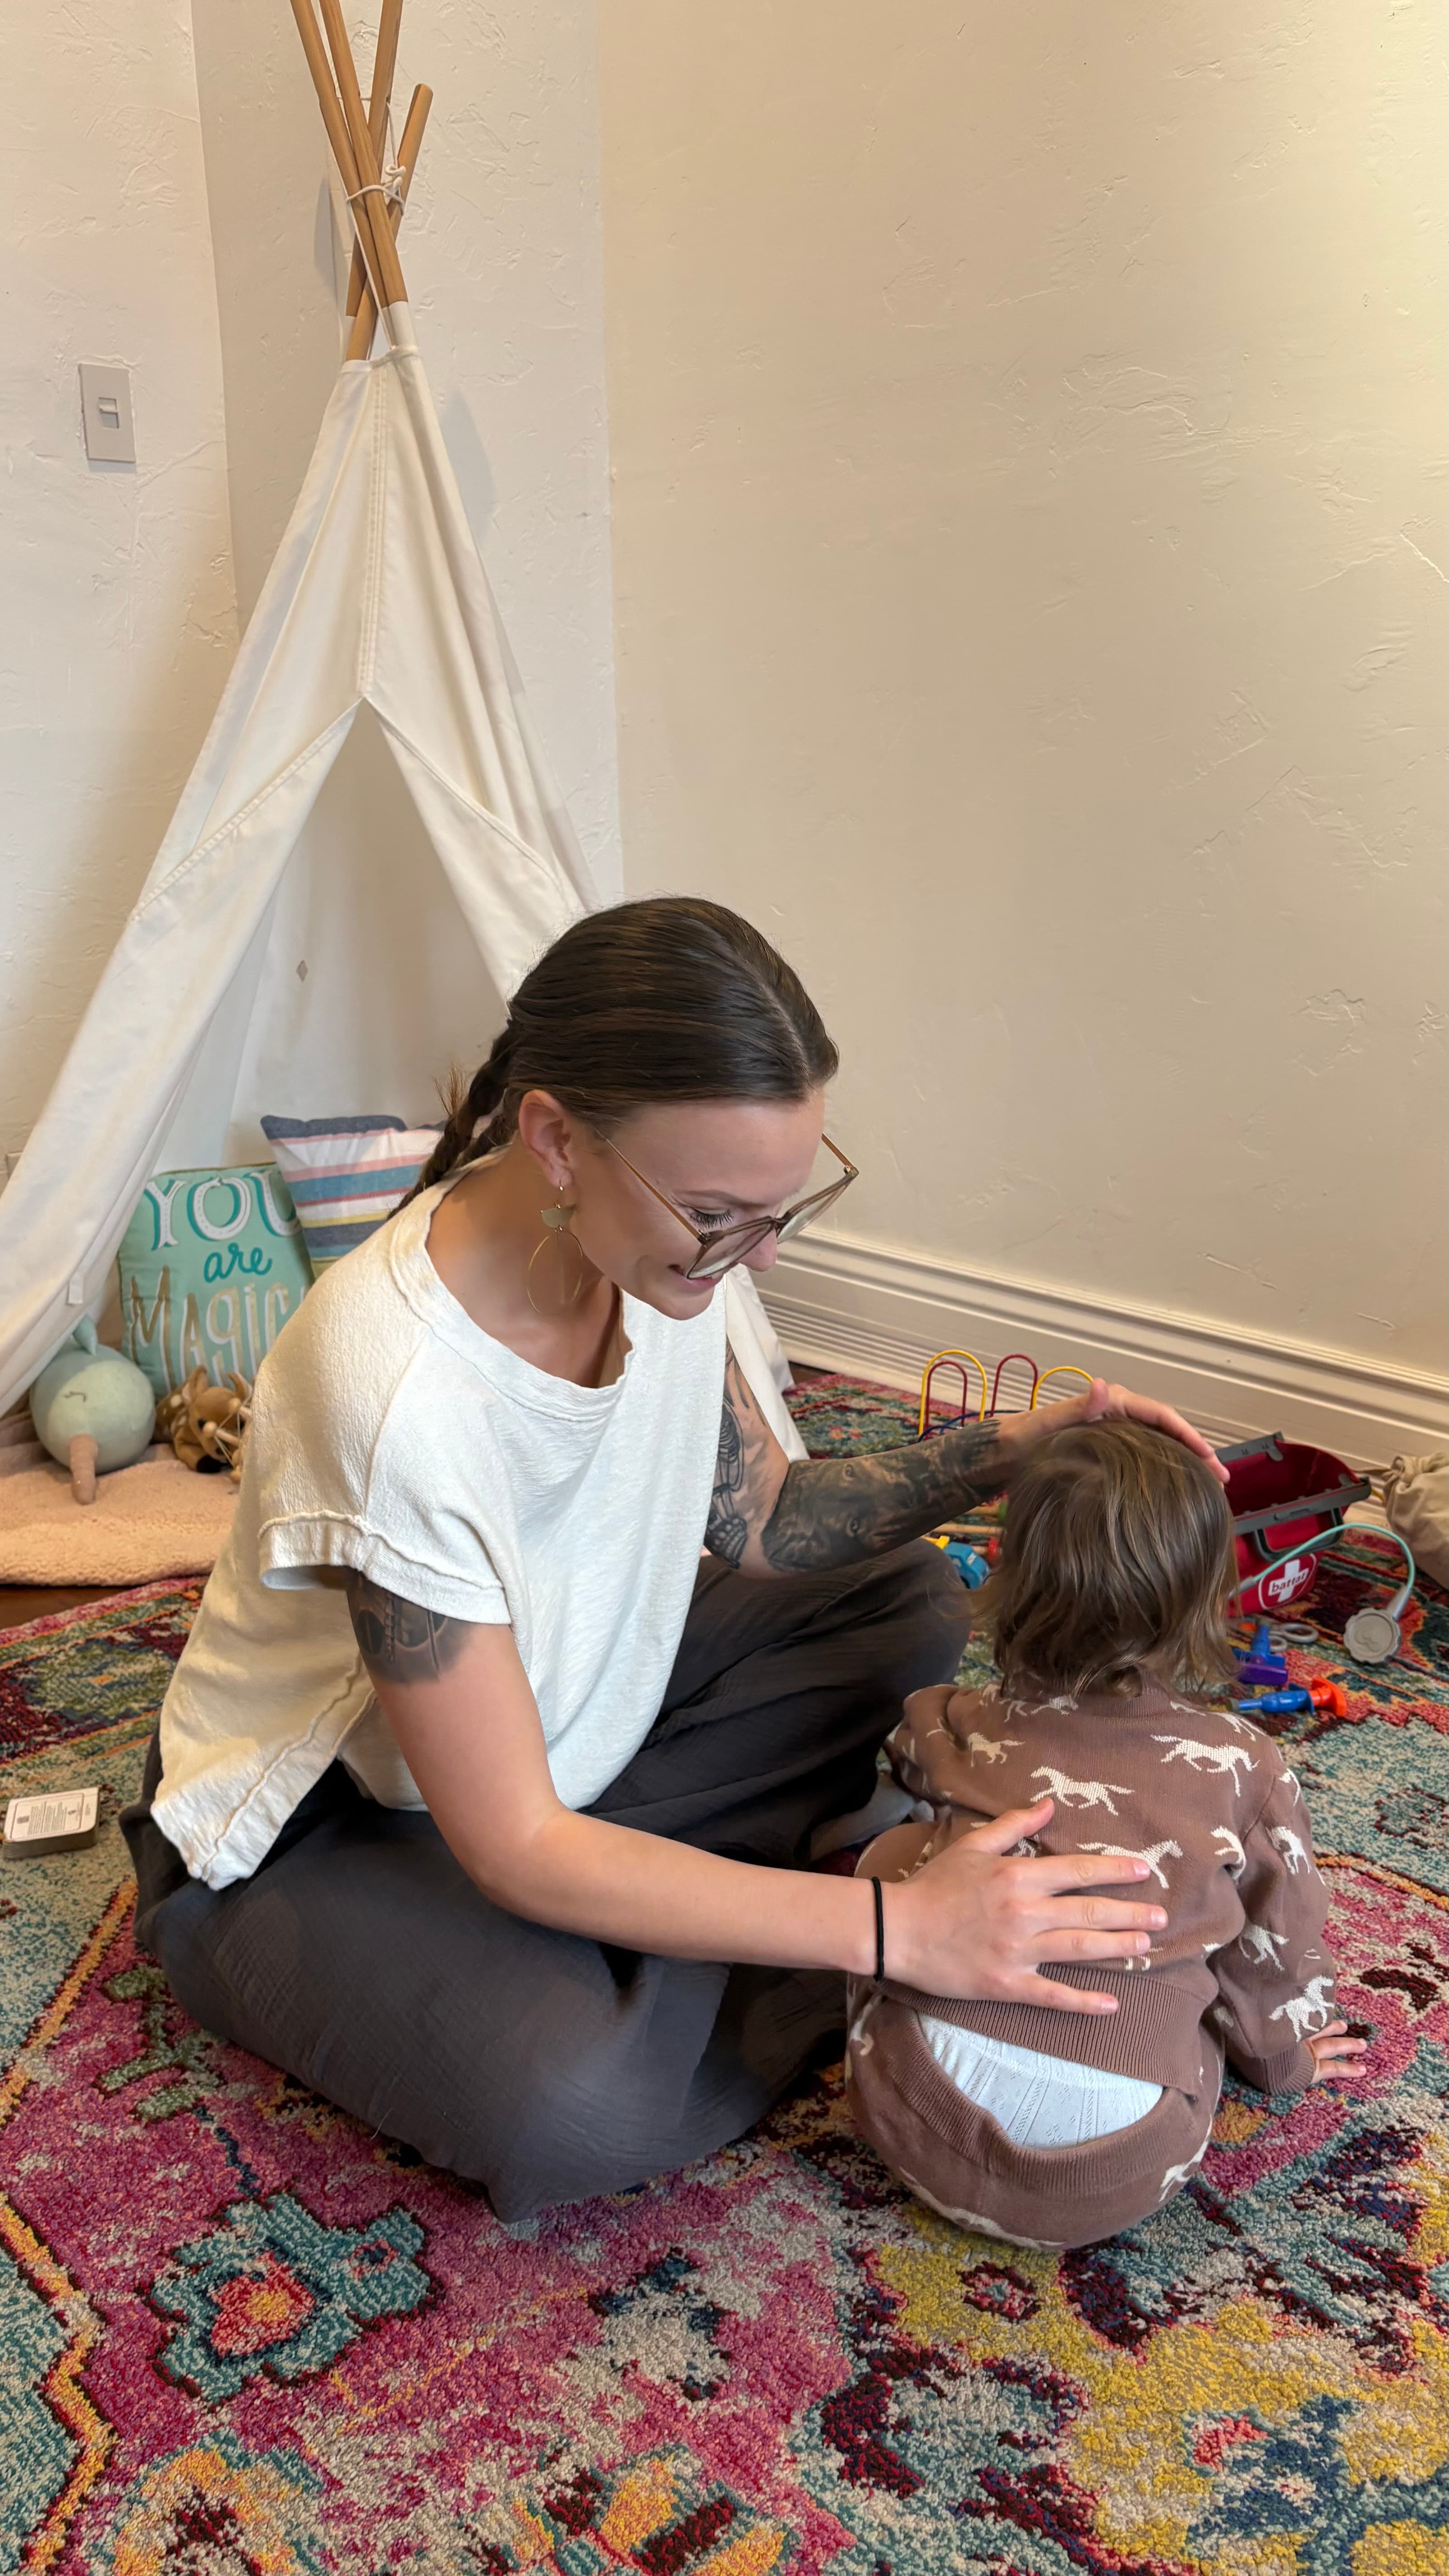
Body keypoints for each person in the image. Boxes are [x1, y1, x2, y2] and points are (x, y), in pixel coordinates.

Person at [123, 897, 1218, 2224]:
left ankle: (680, 1920)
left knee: (905, 1600)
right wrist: (898, 1936)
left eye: (776, 1212)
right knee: (566, 2107)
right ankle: (770, 1909)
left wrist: (1012, 1450)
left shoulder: (668, 1251)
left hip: (557, 1723)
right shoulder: (392, 1387)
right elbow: (515, 1843)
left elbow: (764, 1520)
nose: (749, 1253)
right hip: (334, 1820)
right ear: (554, 1141)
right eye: (718, 1215)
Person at [847, 1419, 1366, 2249]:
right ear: (1206, 1601)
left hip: (911, 2107)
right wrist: (1284, 2058)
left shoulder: (953, 1721)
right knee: (1214, 1948)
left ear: (1010, 1575)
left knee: (893, 1852)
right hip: (1125, 2166)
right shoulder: (1246, 1764)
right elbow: (1277, 1939)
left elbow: (892, 1787)